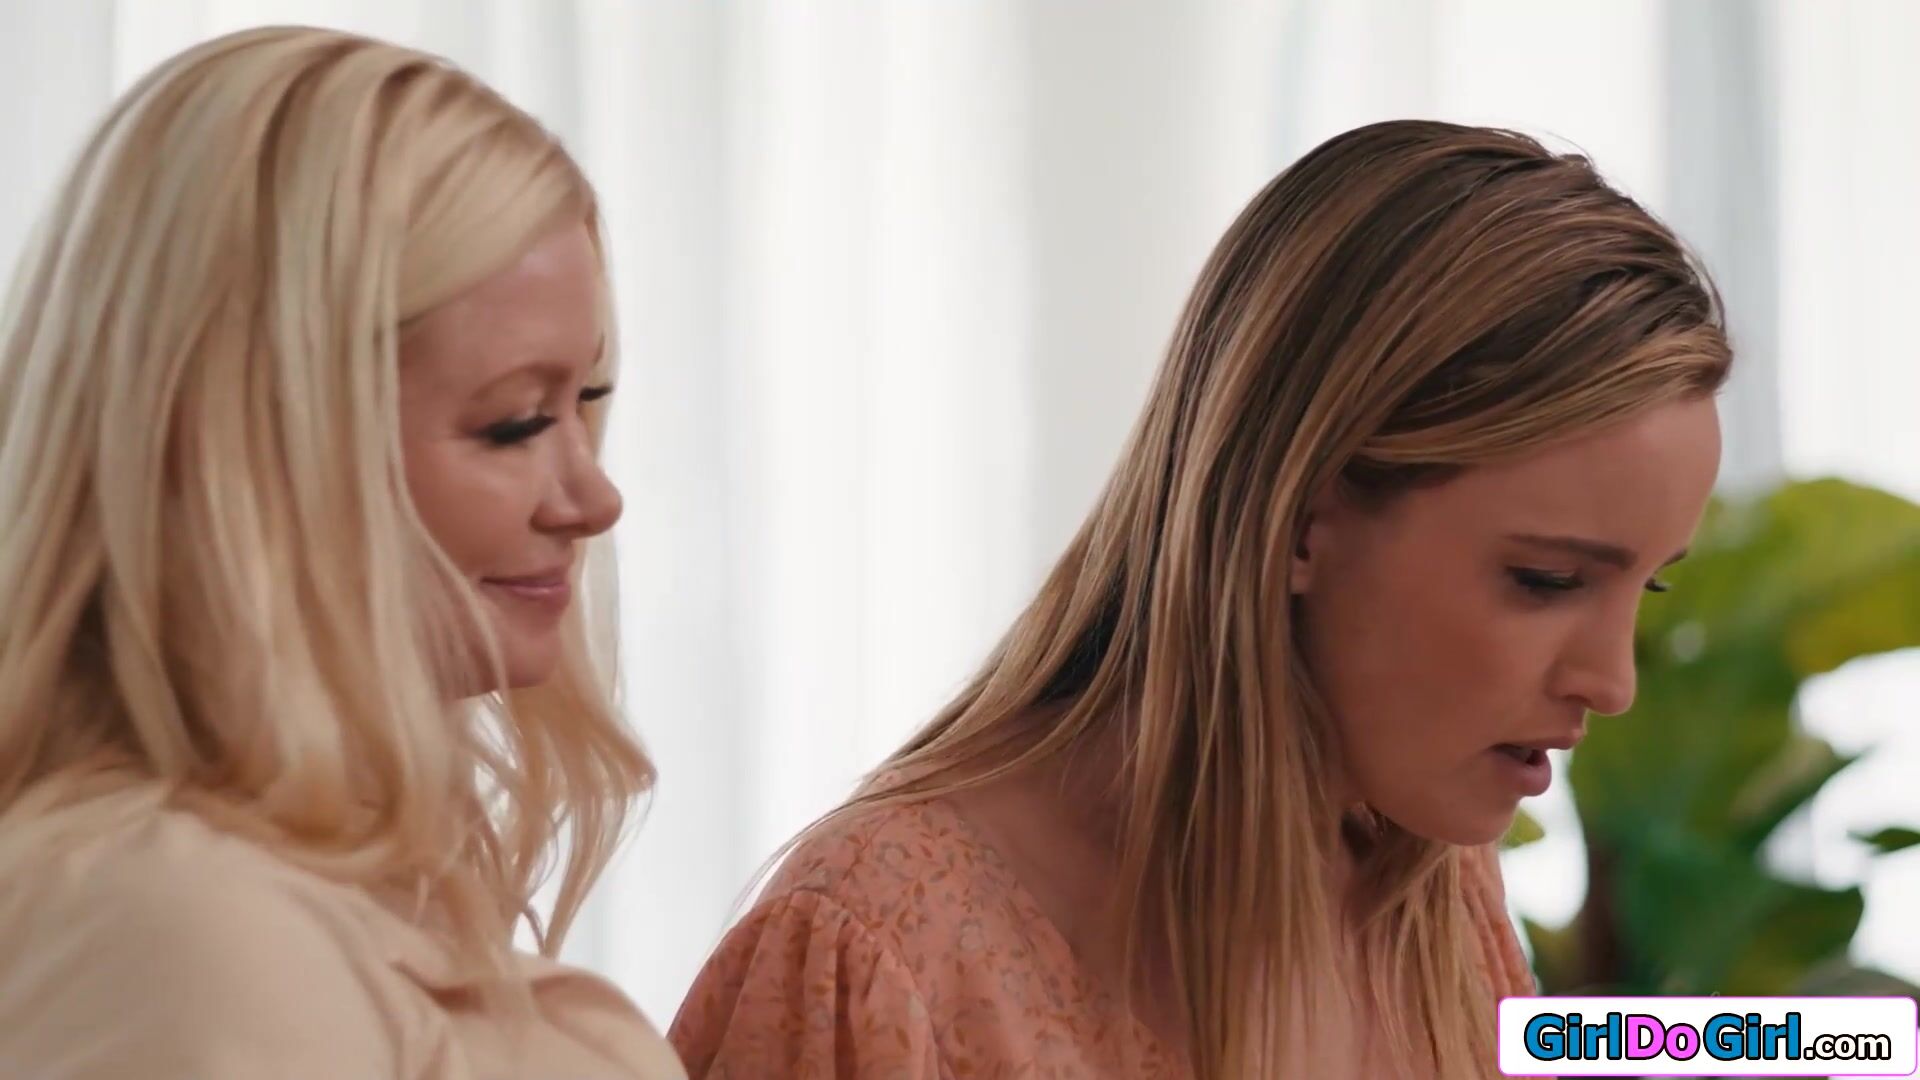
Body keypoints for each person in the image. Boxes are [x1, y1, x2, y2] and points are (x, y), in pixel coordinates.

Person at [669, 120, 1730, 1079]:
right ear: (1300, 520)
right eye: (1546, 581)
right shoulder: (877, 953)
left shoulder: (1438, 897)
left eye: (1648, 583)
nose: (1613, 683)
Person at [0, 25, 684, 1079]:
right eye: (513, 422)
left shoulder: (308, 893)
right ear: (249, 444)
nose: (595, 500)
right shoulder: (178, 926)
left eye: (583, 403)